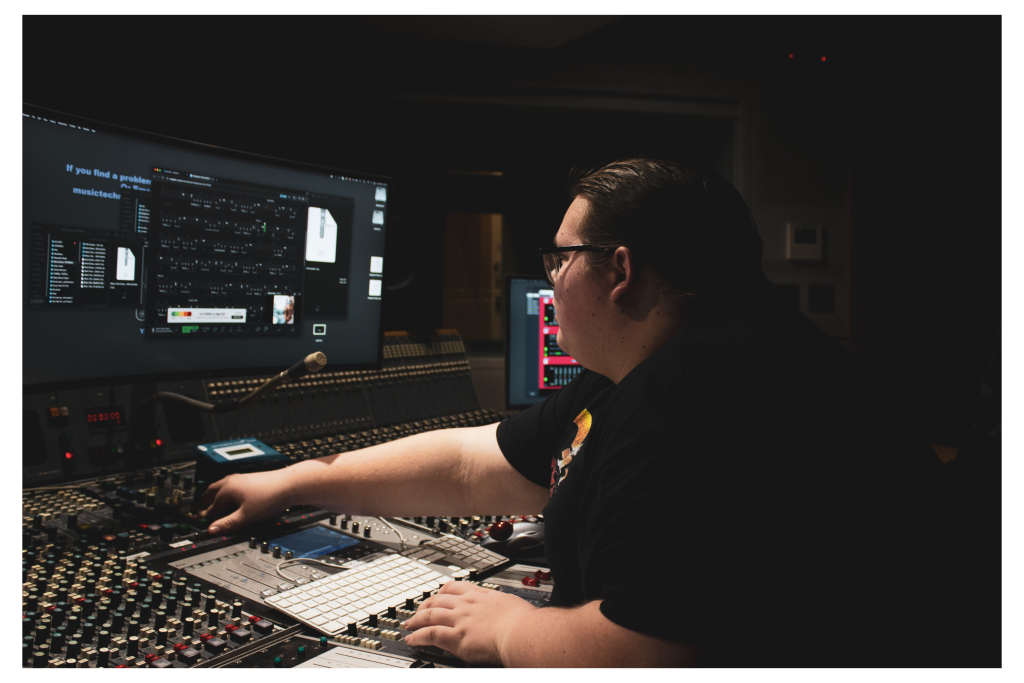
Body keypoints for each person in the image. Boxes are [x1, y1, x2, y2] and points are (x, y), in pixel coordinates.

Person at [198, 159, 958, 668]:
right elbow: (473, 467)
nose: (551, 278)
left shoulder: (704, 389)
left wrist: (508, 627)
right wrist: (292, 480)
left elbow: (653, 648)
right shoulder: (647, 366)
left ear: (619, 270)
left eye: (560, 258)